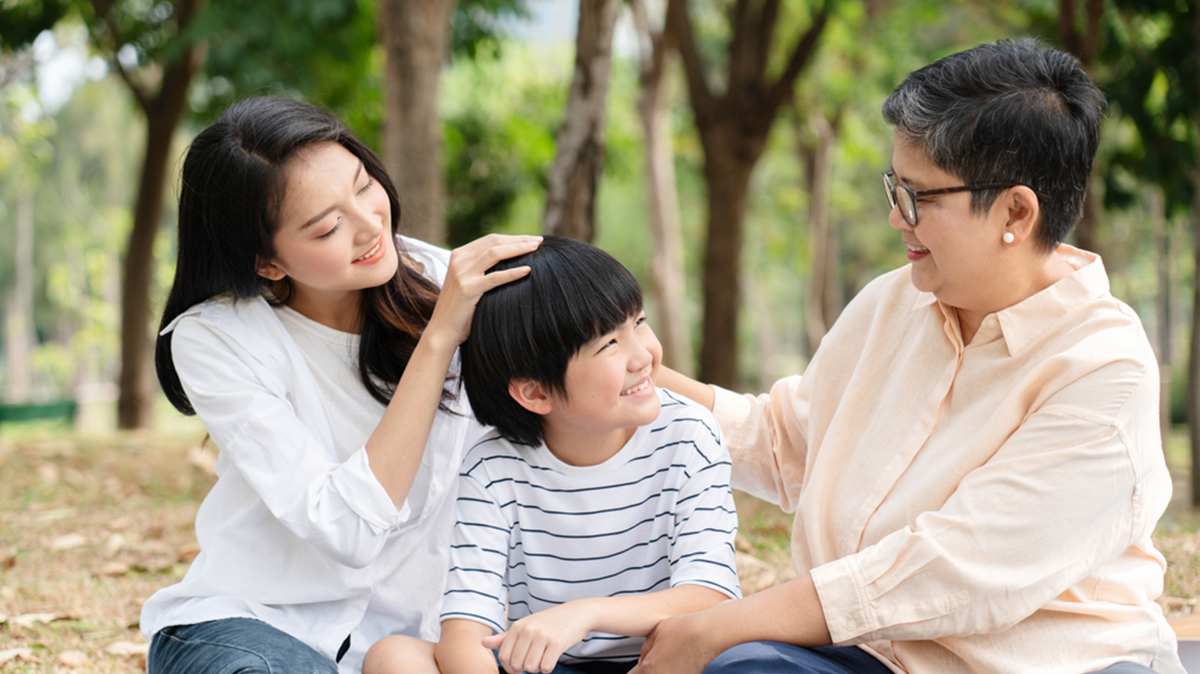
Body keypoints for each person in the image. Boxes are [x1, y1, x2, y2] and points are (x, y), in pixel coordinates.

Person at [644, 39, 1185, 674]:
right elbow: (785, 442)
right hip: (876, 658)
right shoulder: (895, 301)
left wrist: (720, 625)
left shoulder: (1103, 369)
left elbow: (957, 568)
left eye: (918, 197)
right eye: (894, 187)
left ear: (1016, 211)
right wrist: (621, 373)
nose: (898, 218)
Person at [141, 95, 542, 674]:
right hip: (254, 624)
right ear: (267, 263)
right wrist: (438, 342)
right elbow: (347, 529)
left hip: (415, 647)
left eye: (362, 186)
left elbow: (617, 370)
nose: (369, 226)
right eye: (328, 227)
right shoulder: (216, 338)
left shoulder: (446, 280)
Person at [362, 237, 742, 674]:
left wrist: (584, 613)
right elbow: (464, 636)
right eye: (609, 345)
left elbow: (710, 597)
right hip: (550, 666)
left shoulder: (688, 433)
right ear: (536, 391)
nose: (642, 355)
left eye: (637, 322)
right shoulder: (494, 467)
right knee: (394, 657)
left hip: (665, 662)